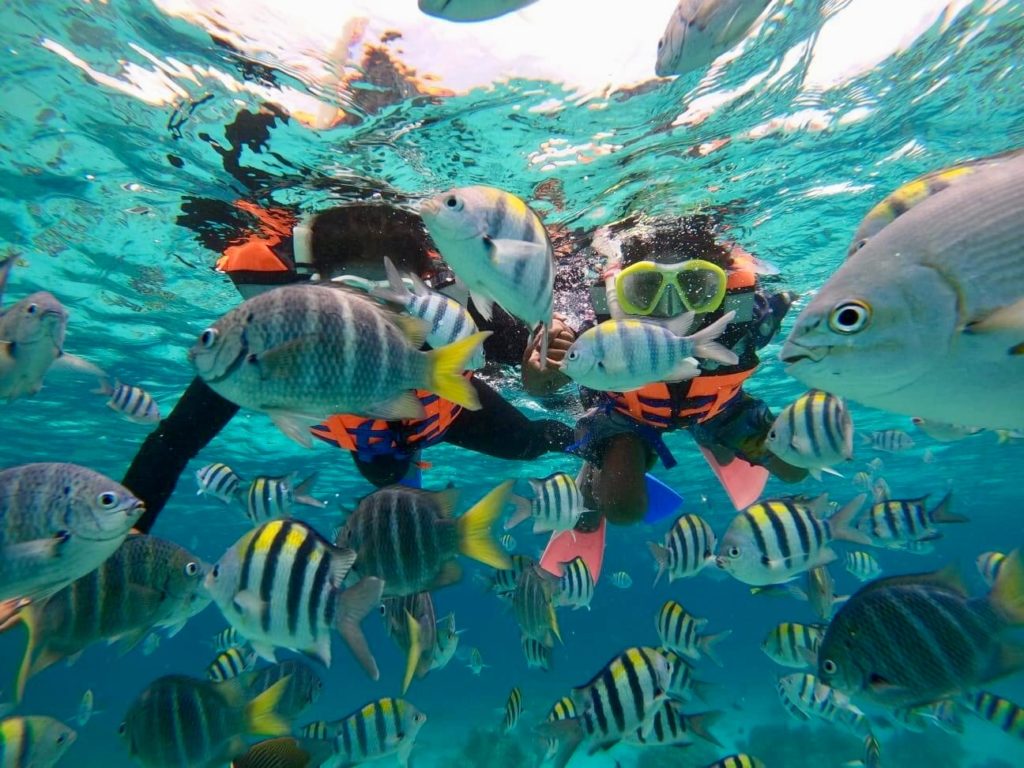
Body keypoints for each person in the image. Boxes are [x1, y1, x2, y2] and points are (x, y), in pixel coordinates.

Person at [123, 200, 574, 534]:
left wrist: (548, 381)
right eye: (350, 296)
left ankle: (588, 441)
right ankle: (406, 467)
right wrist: (123, 538)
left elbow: (557, 372)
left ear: (428, 289)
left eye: (393, 295)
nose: (372, 313)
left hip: (444, 413)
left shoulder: (457, 320)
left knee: (528, 445)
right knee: (383, 472)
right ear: (311, 294)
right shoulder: (260, 347)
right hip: (369, 435)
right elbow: (172, 442)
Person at [522, 213, 805, 578]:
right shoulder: (604, 325)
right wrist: (539, 375)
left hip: (718, 407)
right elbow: (554, 370)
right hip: (629, 414)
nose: (670, 303)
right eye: (644, 289)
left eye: (695, 286)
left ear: (720, 286)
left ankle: (710, 432)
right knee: (623, 509)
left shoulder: (745, 314)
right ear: (623, 289)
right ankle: (598, 466)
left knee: (796, 467)